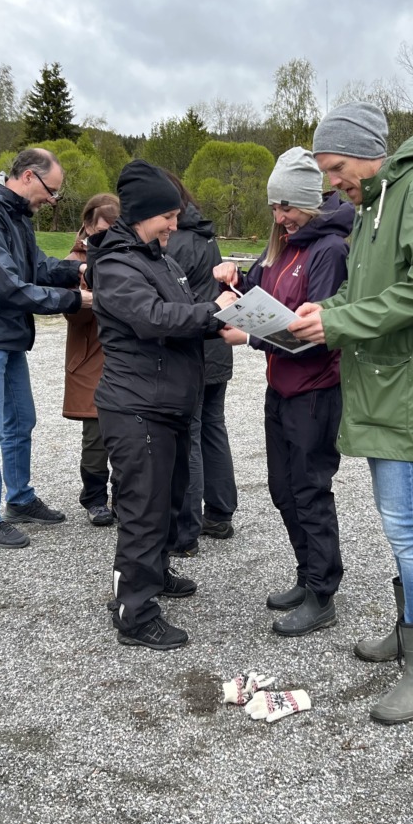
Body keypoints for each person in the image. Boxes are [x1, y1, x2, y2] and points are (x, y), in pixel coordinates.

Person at [288, 103, 413, 724]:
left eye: (336, 168)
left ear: (367, 152)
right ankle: (407, 631)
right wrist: (321, 313)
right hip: (384, 388)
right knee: (398, 520)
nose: (333, 181)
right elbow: (364, 293)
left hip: (408, 391)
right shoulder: (372, 206)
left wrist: (339, 321)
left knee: (405, 524)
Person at [88, 160, 237, 651]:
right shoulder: (115, 264)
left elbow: (183, 311)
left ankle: (153, 572)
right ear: (143, 214)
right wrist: (213, 314)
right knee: (142, 510)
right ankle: (135, 611)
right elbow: (153, 318)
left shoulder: (156, 257)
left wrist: (224, 311)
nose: (175, 225)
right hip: (137, 407)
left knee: (167, 502)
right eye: (167, 216)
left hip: (166, 404)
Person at [214, 147, 352, 636]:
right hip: (281, 386)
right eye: (274, 206)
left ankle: (322, 593)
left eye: (287, 207)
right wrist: (235, 277)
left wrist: (248, 335)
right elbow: (262, 289)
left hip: (315, 390)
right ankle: (305, 574)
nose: (279, 216)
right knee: (282, 489)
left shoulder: (328, 250)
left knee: (310, 490)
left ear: (309, 202)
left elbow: (315, 334)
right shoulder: (283, 245)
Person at [0, 148, 92, 549]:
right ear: (28, 176)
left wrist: (78, 269)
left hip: (7, 335)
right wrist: (74, 301)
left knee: (21, 420)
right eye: (51, 190)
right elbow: (4, 284)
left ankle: (20, 499)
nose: (52, 199)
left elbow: (34, 268)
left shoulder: (14, 214)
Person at [163, 172, 237, 556]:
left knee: (190, 434)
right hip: (217, 345)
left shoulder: (176, 241)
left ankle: (185, 530)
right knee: (212, 428)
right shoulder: (205, 234)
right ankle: (220, 513)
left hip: (196, 347)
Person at [63, 193, 119, 527]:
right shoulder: (74, 262)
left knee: (126, 435)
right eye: (104, 227)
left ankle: (124, 495)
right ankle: (95, 498)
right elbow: (76, 317)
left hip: (123, 359)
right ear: (88, 225)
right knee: (96, 437)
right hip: (90, 359)